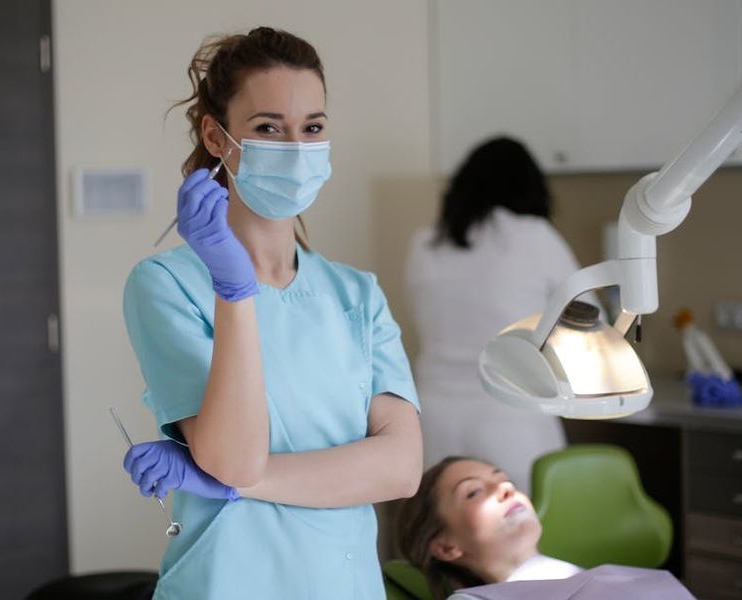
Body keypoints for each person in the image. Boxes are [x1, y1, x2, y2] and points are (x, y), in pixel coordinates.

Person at [121, 27, 422, 600]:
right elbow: (235, 458)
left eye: (312, 127)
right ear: (217, 137)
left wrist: (231, 486)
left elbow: (401, 469)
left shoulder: (357, 295)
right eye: (267, 127)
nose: (296, 147)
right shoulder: (165, 285)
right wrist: (235, 292)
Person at [405, 136, 589, 493]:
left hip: (434, 422)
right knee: (525, 523)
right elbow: (588, 326)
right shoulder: (536, 237)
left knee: (442, 524)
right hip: (512, 419)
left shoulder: (424, 244)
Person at [398, 457, 582, 600]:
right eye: (474, 492)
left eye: (506, 480)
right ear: (447, 548)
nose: (506, 487)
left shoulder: (580, 575)